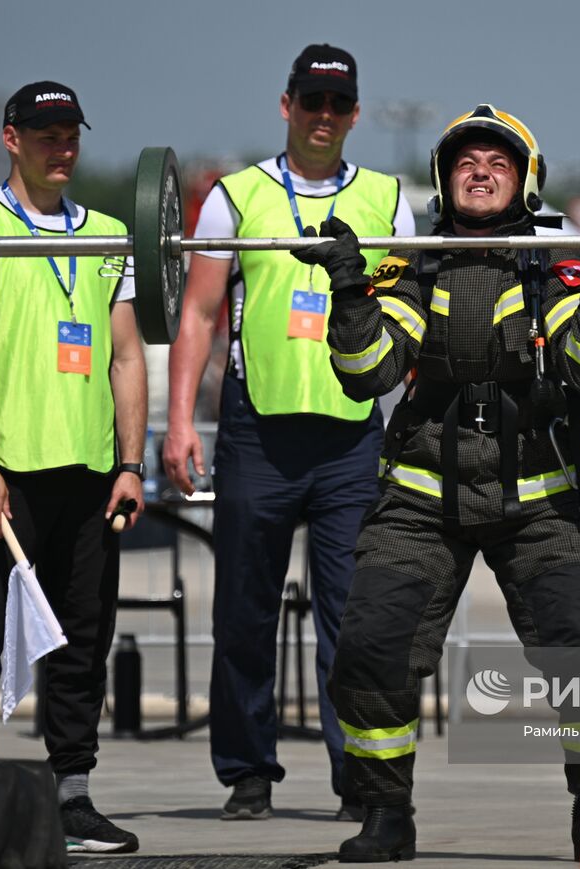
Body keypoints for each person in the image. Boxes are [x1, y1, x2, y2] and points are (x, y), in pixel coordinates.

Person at [294, 104, 580, 862]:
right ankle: (385, 816)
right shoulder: (412, 261)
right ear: (443, 178)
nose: (480, 170)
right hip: (422, 499)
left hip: (542, 500)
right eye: (466, 160)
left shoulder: (555, 263)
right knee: (372, 648)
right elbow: (366, 374)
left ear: (526, 182)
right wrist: (349, 292)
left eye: (498, 161)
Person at [162, 44, 414, 822]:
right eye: (312, 103)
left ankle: (361, 780)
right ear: (286, 104)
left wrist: (406, 424)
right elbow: (200, 313)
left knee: (354, 619)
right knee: (244, 611)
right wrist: (178, 422)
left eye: (338, 106)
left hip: (349, 438)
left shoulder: (388, 197)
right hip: (258, 435)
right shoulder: (235, 196)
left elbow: (407, 318)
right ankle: (247, 773)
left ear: (355, 114)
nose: (324, 118)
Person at [0, 81, 147, 853]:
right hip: (9, 475)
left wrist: (131, 464)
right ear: (11, 138)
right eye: (46, 132)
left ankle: (73, 797)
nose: (62, 146)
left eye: (71, 133)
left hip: (91, 476)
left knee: (81, 642)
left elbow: (126, 356)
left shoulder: (111, 233)